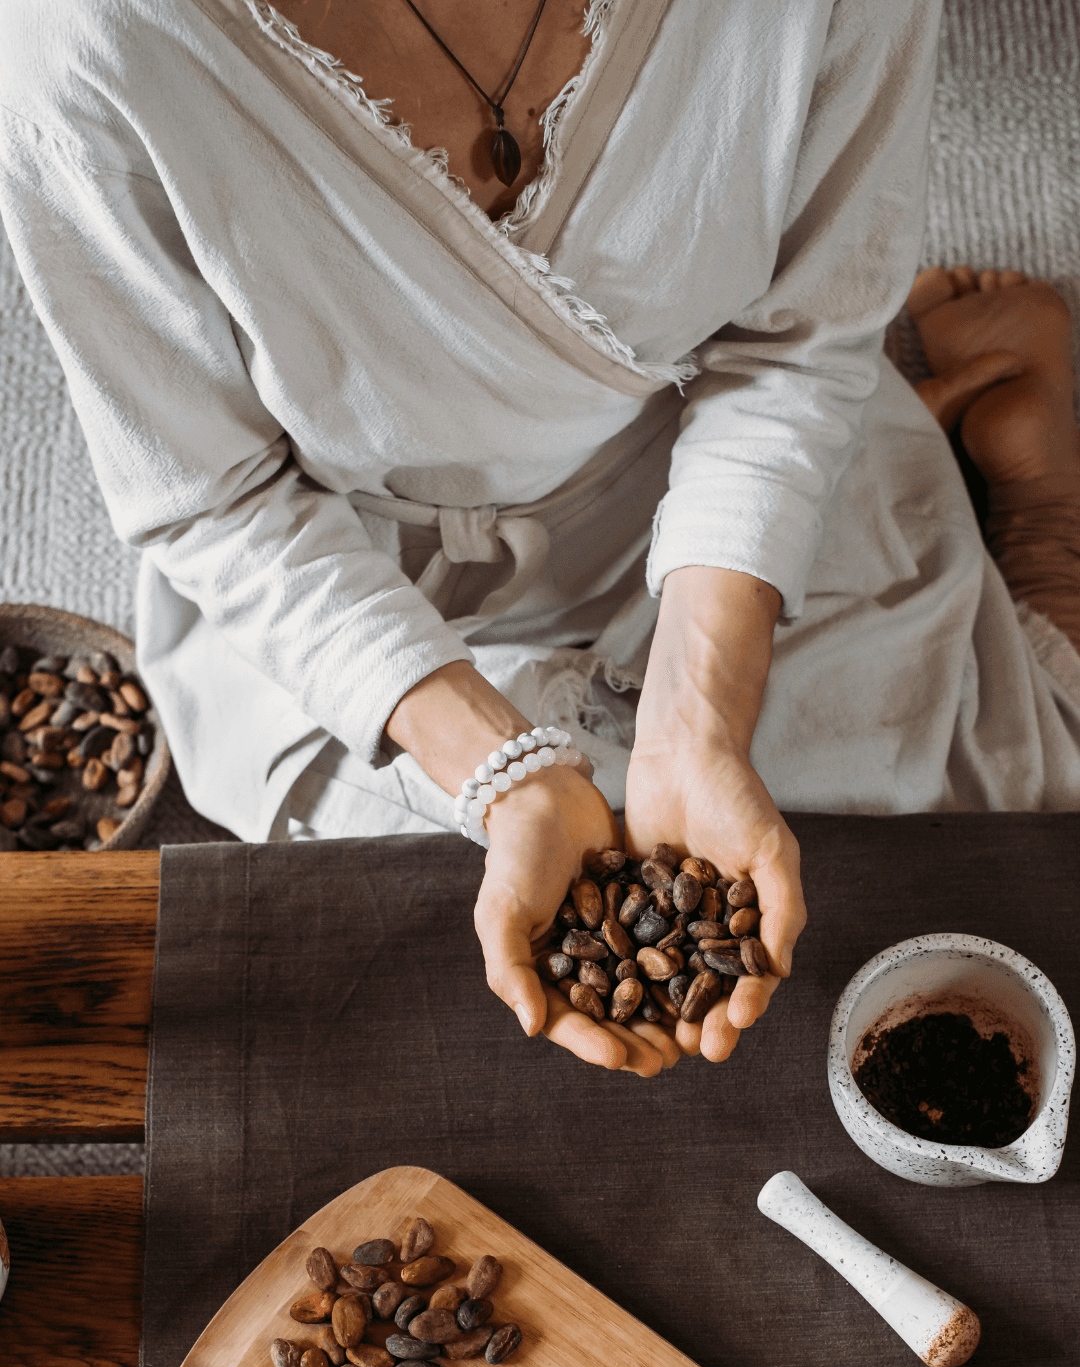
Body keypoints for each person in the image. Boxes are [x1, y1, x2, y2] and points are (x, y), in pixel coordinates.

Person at [1, 0, 1078, 1080]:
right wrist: (507, 774)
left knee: (988, 820)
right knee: (400, 961)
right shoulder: (81, 39)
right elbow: (215, 498)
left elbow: (790, 353)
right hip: (369, 560)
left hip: (694, 451)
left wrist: (697, 724)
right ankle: (951, 389)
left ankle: (1041, 506)